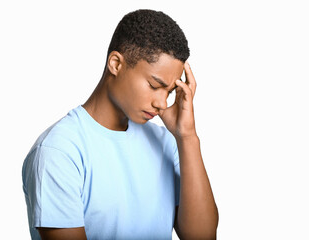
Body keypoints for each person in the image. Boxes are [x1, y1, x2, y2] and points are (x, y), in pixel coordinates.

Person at [22, 9, 218, 240]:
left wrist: (187, 137)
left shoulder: (167, 142)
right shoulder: (59, 151)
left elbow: (202, 236)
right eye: (155, 86)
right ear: (116, 64)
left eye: (170, 91)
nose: (162, 103)